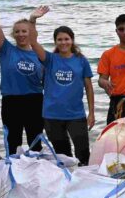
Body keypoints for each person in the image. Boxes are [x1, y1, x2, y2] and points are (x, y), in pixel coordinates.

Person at [0, 0, 47, 154]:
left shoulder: (39, 55)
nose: (21, 34)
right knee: (12, 143)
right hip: (11, 101)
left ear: (30, 33)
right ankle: (13, 169)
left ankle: (36, 169)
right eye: (17, 31)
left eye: (24, 31)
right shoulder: (6, 50)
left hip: (35, 101)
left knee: (36, 143)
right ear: (13, 34)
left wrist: (33, 19)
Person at [39, 25, 95, 163]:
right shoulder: (49, 59)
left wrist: (91, 113)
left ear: (72, 40)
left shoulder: (81, 60)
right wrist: (33, 20)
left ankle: (84, 175)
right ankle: (68, 176)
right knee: (63, 156)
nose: (63, 42)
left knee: (83, 154)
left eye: (66, 39)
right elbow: (33, 43)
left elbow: (89, 87)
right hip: (52, 115)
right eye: (59, 39)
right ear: (55, 42)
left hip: (76, 114)